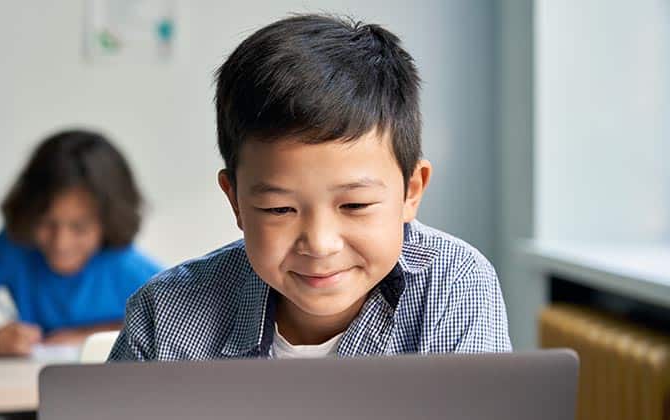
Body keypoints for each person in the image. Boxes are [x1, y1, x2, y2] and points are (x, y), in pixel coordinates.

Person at [109, 14, 510, 362]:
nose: (319, 244)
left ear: (411, 192)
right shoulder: (165, 314)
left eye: (354, 205)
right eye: (279, 209)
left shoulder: (454, 284)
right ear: (235, 200)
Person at [0, 130, 162, 357]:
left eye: (79, 228)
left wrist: (85, 336)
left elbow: (180, 326)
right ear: (28, 213)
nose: (61, 242)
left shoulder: (127, 266)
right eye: (46, 223)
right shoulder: (13, 247)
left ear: (108, 222)